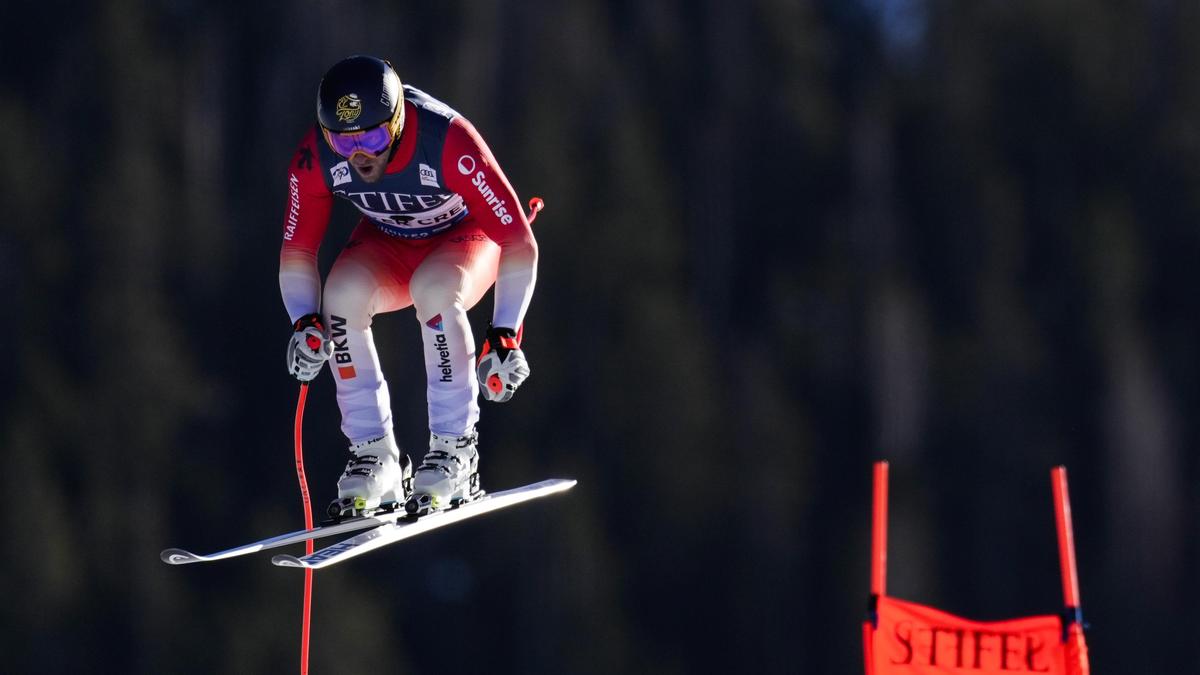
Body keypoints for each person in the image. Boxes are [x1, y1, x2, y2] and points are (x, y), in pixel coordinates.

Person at [279, 55, 537, 518]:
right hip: (391, 241)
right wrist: (305, 321)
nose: (359, 154)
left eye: (374, 138)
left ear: (397, 122)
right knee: (339, 298)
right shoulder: (315, 158)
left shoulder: (446, 140)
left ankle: (455, 452)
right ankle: (374, 456)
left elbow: (518, 239)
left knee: (435, 291)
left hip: (466, 240)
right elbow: (297, 251)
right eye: (343, 141)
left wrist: (504, 333)